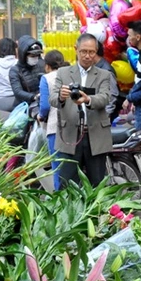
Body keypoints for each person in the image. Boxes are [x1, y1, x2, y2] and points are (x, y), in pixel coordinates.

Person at [49, 34, 113, 187]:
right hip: (70, 134)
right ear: (76, 50)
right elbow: (52, 99)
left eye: (91, 52)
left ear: (96, 52)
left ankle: (97, 211)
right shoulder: (63, 73)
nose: (87, 56)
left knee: (97, 184)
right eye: (83, 51)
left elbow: (105, 97)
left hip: (95, 135)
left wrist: (88, 100)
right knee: (67, 184)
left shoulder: (104, 74)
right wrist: (61, 96)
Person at [38, 51, 67, 189]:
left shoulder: (46, 78)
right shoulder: (71, 75)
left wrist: (41, 116)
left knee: (57, 168)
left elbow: (44, 107)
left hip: (55, 127)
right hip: (74, 127)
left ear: (47, 66)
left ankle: (60, 201)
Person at [11, 36, 44, 119]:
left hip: (41, 104)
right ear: (24, 55)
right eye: (32, 56)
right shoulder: (15, 70)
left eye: (37, 55)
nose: (35, 58)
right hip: (24, 107)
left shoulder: (41, 65)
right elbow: (17, 91)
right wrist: (33, 97)